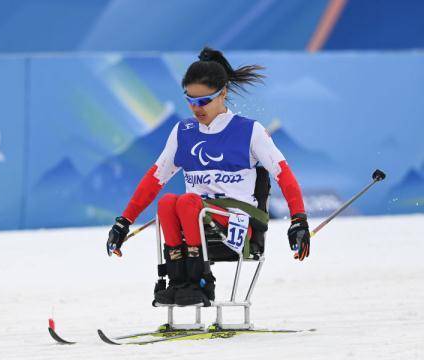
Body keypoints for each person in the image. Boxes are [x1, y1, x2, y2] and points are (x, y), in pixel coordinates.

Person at [106, 47, 310, 307]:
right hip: (197, 218)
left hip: (237, 226)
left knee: (188, 203)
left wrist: (298, 220)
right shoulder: (184, 132)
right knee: (168, 203)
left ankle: (202, 282)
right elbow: (154, 179)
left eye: (204, 101)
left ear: (223, 93)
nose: (196, 108)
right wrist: (123, 222)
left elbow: (284, 175)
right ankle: (179, 282)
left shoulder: (249, 131)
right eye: (190, 100)